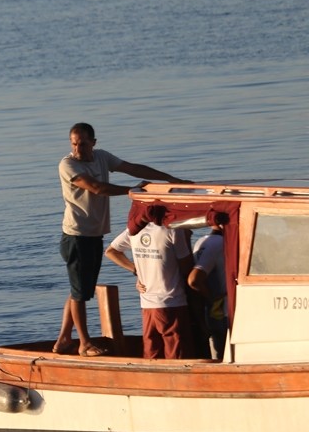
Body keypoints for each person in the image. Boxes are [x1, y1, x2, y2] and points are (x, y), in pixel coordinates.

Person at [54, 122, 190, 357]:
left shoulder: (102, 157)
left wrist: (169, 179)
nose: (78, 148)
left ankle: (64, 338)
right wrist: (132, 191)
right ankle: (84, 343)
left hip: (94, 234)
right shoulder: (68, 164)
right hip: (77, 236)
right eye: (74, 144)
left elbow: (134, 168)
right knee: (80, 292)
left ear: (94, 143)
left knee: (81, 289)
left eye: (83, 144)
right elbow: (96, 187)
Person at [104, 211, 195, 359]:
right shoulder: (173, 229)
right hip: (172, 301)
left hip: (147, 304)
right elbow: (187, 267)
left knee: (151, 352)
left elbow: (111, 251)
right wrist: (187, 238)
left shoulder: (134, 230)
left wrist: (137, 270)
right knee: (177, 355)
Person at [188, 213, 228, 359]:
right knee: (224, 355)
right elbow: (194, 280)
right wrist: (213, 297)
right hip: (221, 310)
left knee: (217, 354)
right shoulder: (218, 243)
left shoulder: (201, 242)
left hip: (209, 310)